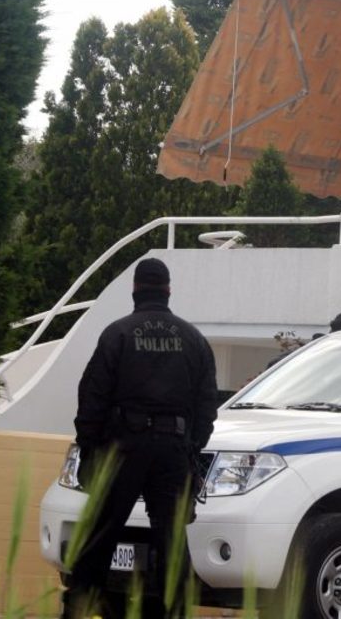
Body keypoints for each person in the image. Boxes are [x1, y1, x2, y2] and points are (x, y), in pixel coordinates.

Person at [68, 257, 220, 619]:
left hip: (123, 447)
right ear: (168, 291)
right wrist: (190, 447)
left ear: (135, 289)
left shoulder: (117, 334)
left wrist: (90, 449)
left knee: (99, 535)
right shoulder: (193, 339)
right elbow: (206, 405)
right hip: (173, 449)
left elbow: (92, 397)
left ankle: (78, 611)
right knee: (172, 541)